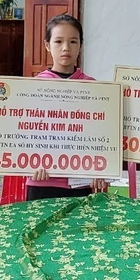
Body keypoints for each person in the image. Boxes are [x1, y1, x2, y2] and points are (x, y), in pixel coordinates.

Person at [27, 14, 108, 200]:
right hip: (41, 181)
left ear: (81, 45)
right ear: (47, 45)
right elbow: (25, 132)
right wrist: (29, 164)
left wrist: (102, 169)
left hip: (81, 181)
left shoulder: (94, 87)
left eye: (73, 41)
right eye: (58, 41)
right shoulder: (33, 87)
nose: (66, 48)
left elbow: (101, 133)